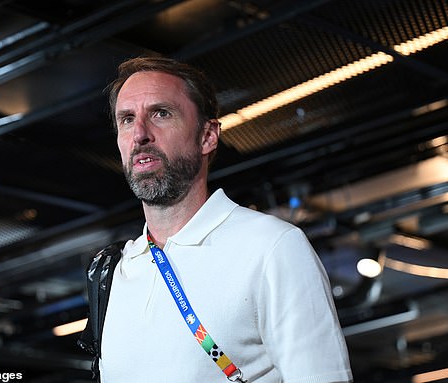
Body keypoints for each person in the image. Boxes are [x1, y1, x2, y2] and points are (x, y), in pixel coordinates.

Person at [99, 56, 353, 383]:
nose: (140, 134)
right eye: (127, 119)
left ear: (207, 136)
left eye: (161, 114)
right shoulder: (116, 273)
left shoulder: (272, 246)